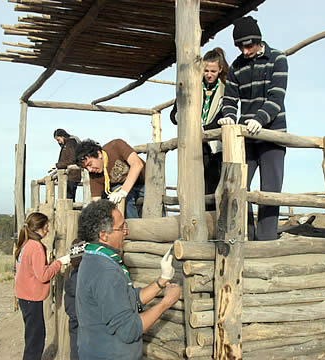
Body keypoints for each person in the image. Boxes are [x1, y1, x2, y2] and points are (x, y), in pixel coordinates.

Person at [75, 200, 181, 359]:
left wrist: (162, 280)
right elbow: (129, 329)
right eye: (121, 227)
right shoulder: (106, 272)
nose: (126, 232)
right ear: (104, 235)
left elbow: (128, 299)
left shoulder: (93, 258)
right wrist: (166, 302)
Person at [219, 16, 288, 241]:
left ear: (258, 40)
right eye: (240, 46)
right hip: (245, 137)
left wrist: (260, 118)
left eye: (248, 45)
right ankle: (244, 237)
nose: (245, 50)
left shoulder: (277, 59)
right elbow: (229, 99)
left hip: (272, 133)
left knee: (270, 191)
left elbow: (276, 97)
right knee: (239, 186)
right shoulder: (236, 67)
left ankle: (266, 240)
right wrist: (229, 118)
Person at [170, 48, 229, 210]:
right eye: (206, 70)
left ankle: (213, 224)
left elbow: (225, 116)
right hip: (192, 145)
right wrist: (189, 121)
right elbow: (174, 115)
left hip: (214, 148)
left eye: (213, 71)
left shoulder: (226, 89)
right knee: (192, 185)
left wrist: (205, 127)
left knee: (213, 185)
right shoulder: (192, 87)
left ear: (220, 70)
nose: (209, 74)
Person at [14, 212, 71, 360]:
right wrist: (60, 262)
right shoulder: (36, 247)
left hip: (24, 296)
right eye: (46, 227)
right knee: (36, 340)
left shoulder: (25, 243)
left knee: (32, 336)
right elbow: (43, 275)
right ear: (39, 227)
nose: (48, 230)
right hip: (31, 298)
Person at [75, 139, 146, 218]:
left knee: (155, 196)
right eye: (86, 168)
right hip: (123, 188)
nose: (90, 169)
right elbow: (96, 199)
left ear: (99, 154)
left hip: (145, 182)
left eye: (90, 164)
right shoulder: (94, 174)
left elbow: (137, 164)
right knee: (114, 195)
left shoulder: (116, 146)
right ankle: (132, 227)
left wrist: (123, 192)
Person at [49, 129, 82, 201]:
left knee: (68, 199)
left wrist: (57, 165)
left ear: (62, 136)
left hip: (71, 175)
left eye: (58, 139)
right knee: (68, 198)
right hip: (69, 175)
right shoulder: (67, 144)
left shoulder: (70, 143)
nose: (59, 142)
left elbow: (71, 160)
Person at [64, 238, 82, 360]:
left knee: (75, 349)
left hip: (74, 319)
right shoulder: (84, 278)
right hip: (84, 321)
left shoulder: (71, 279)